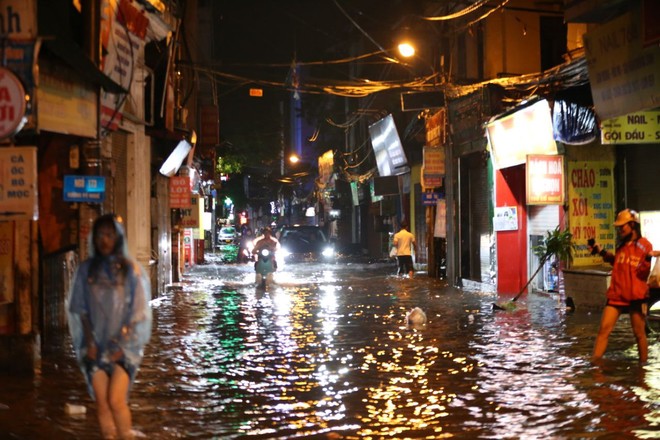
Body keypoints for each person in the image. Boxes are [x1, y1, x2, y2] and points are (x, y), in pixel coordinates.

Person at [67, 214, 152, 439]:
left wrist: (122, 343)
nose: (105, 240)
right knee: (102, 403)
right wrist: (90, 342)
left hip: (124, 349)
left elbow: (137, 311)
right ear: (94, 238)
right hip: (94, 347)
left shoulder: (130, 271)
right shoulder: (86, 270)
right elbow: (80, 309)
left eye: (110, 234)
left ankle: (125, 435)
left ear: (118, 238)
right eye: (100, 235)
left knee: (116, 400)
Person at [589, 208, 659, 364]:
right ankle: (594, 366)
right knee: (603, 331)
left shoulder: (644, 245)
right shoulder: (621, 246)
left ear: (633, 225)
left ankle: (642, 368)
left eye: (623, 226)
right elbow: (618, 263)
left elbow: (642, 272)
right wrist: (601, 252)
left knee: (639, 333)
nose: (620, 230)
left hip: (637, 295)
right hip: (617, 294)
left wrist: (647, 259)